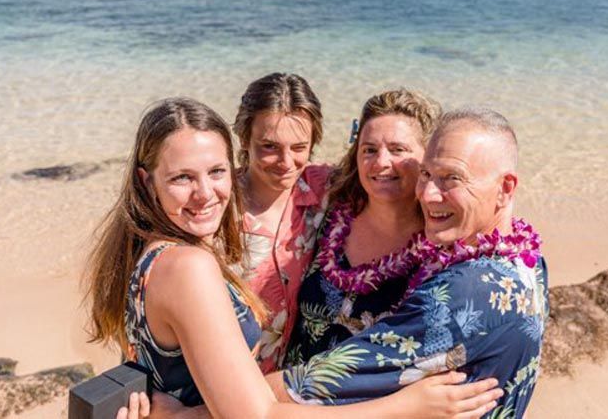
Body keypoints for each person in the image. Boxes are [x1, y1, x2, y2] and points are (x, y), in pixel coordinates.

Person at [84, 98, 503, 419]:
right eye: (181, 178)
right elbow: (260, 416)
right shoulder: (188, 267)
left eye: (216, 172)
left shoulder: (149, 252)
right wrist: (404, 406)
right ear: (146, 180)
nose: (205, 194)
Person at [272, 108, 548, 418]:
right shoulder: (530, 262)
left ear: (506, 188)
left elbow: (305, 387)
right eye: (427, 174)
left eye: (451, 179)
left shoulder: (458, 296)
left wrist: (219, 407)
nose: (428, 194)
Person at [286, 89, 441, 366]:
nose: (381, 162)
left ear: (428, 157)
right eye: (369, 150)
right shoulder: (327, 209)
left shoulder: (441, 248)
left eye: (398, 150)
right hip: (283, 396)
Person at [232, 72, 332, 372]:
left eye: (299, 147)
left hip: (280, 386)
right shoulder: (215, 207)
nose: (287, 163)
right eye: (270, 147)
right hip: (212, 388)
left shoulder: (322, 190)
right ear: (244, 138)